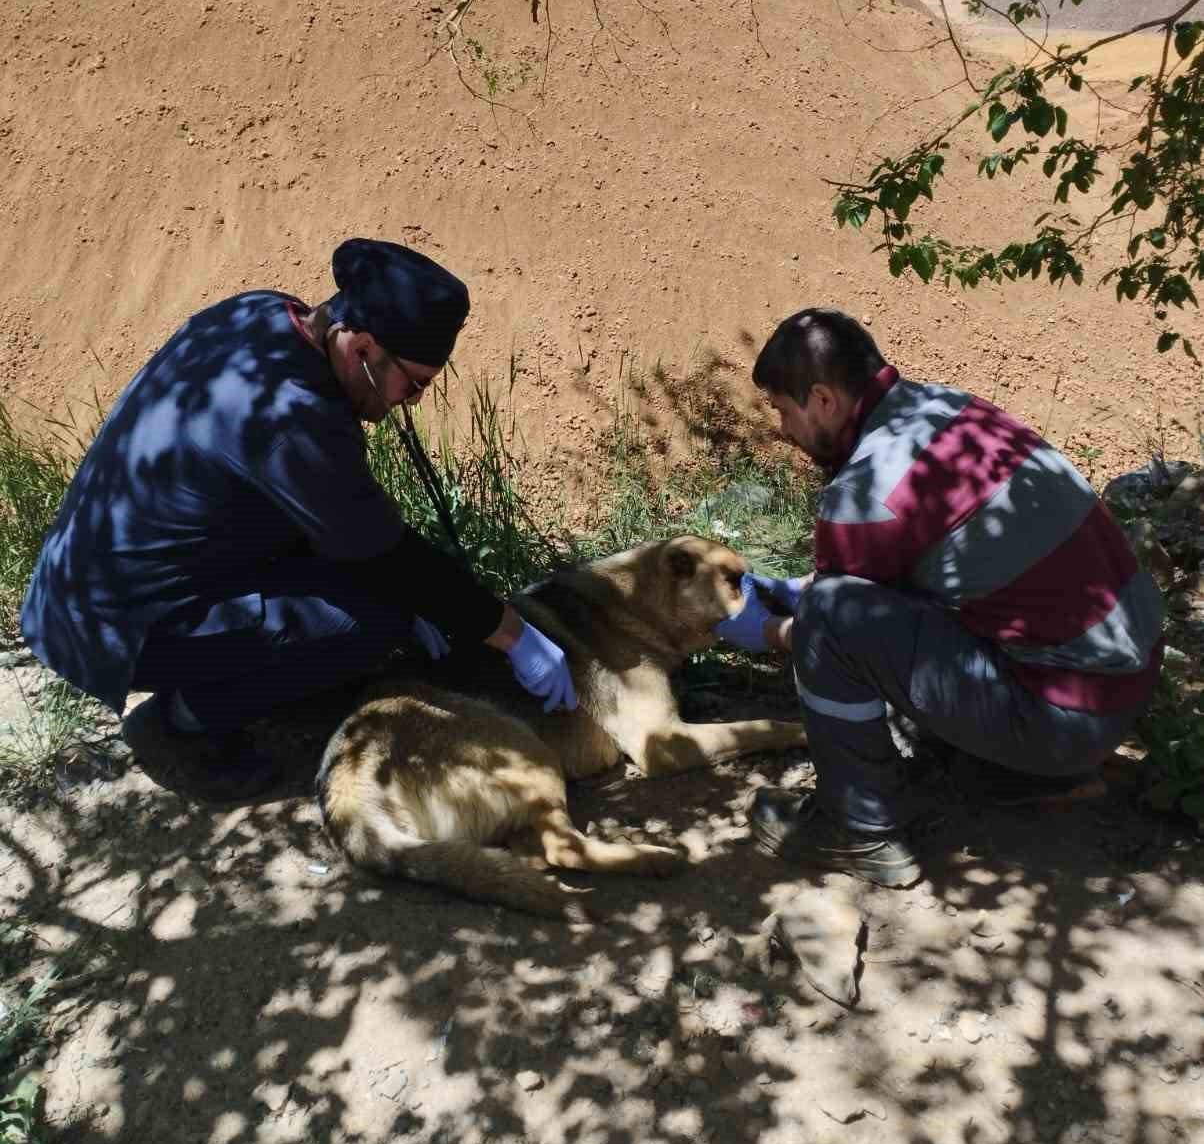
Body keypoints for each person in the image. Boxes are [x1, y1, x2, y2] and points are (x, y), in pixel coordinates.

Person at [21, 238, 576, 801]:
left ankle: (218, 671)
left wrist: (429, 596)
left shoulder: (260, 313)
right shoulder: (291, 418)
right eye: (413, 384)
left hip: (79, 583)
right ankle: (187, 716)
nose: (411, 402)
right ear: (361, 347)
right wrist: (514, 636)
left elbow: (344, 524)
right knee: (366, 624)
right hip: (110, 629)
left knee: (378, 590)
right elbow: (385, 554)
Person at [713, 309, 1164, 887]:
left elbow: (843, 616)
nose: (781, 429)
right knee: (841, 607)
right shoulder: (950, 410)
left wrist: (766, 630)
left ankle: (859, 831)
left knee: (829, 618)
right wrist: (798, 588)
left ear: (822, 400)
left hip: (1064, 715)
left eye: (782, 409)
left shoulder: (867, 491)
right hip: (1122, 687)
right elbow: (902, 572)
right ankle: (1032, 775)